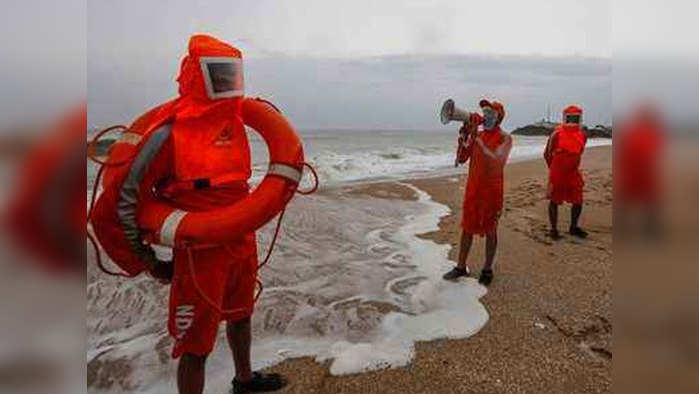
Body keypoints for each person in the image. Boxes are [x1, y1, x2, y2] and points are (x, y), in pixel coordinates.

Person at [116, 35, 287, 394]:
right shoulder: (168, 134)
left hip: (241, 240)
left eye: (231, 74)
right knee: (196, 343)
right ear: (197, 76)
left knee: (242, 315)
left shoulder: (237, 121)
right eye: (218, 74)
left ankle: (244, 380)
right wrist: (147, 259)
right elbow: (128, 196)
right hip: (199, 253)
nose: (227, 83)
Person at [443, 99, 513, 286]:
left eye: (491, 113)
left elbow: (497, 159)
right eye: (485, 113)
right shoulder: (477, 135)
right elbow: (461, 159)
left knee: (491, 230)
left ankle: (487, 269)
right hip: (473, 190)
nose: (486, 116)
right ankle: (460, 266)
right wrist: (466, 136)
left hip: (492, 192)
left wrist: (478, 140)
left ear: (499, 117)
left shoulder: (506, 138)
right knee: (467, 228)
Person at [544, 105, 588, 240]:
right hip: (557, 171)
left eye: (576, 118)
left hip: (573, 172)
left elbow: (579, 151)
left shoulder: (582, 134)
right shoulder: (557, 133)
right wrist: (553, 169)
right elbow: (547, 153)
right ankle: (553, 229)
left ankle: (573, 227)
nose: (573, 121)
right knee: (554, 200)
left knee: (578, 199)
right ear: (565, 118)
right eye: (570, 118)